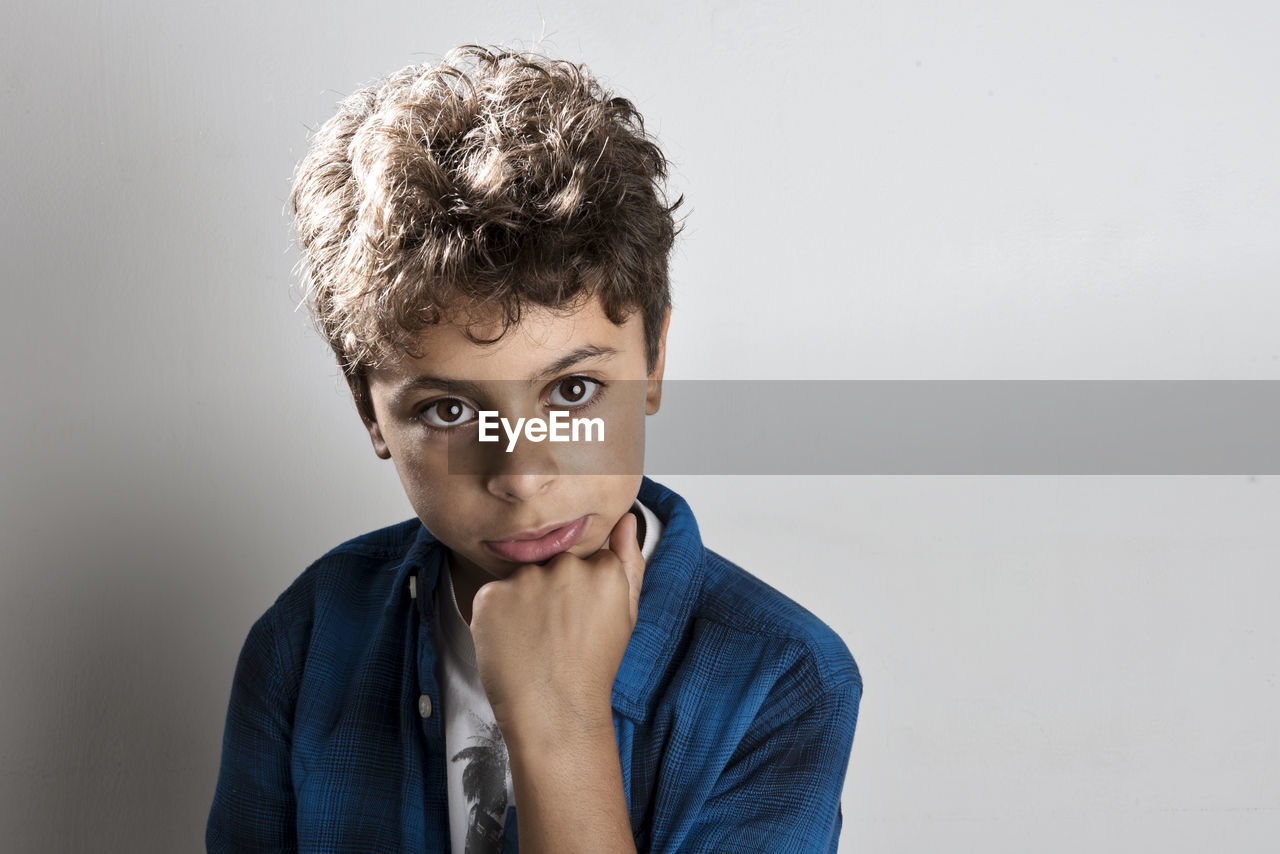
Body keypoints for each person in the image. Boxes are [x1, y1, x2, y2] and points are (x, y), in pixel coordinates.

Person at [207, 44, 862, 854]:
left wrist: (561, 722)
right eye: (448, 409)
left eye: (573, 392)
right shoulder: (307, 640)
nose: (519, 475)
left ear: (653, 359)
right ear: (369, 412)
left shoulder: (781, 677)